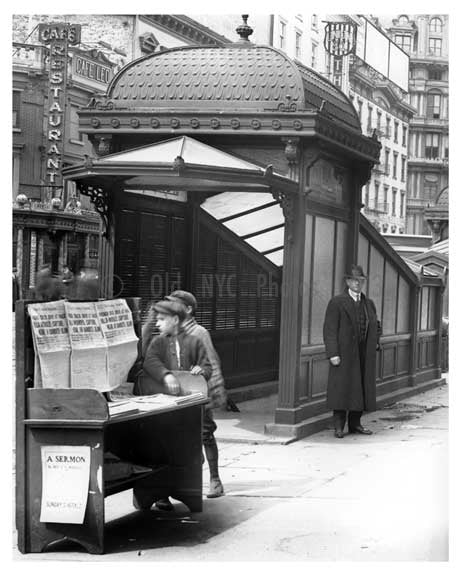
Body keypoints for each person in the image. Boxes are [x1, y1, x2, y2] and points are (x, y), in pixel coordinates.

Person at [140, 298, 212, 511]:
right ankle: (161, 495)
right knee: (163, 450)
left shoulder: (195, 341)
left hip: (187, 408)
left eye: (162, 319)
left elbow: (207, 366)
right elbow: (150, 362)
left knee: (188, 450)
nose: (158, 324)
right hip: (165, 408)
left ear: (175, 320)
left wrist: (201, 370)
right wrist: (166, 376)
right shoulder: (158, 342)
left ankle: (185, 491)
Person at [166, 290, 227, 499]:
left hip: (199, 395)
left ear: (189, 309)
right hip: (178, 396)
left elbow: (211, 363)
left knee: (205, 435)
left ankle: (215, 480)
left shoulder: (199, 332)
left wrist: (212, 393)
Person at [323, 264, 381, 438]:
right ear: (347, 281)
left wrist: (375, 341)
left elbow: (376, 325)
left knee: (360, 390)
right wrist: (333, 353)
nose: (357, 283)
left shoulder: (368, 303)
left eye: (360, 280)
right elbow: (329, 329)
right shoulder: (337, 302)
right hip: (344, 354)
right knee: (342, 389)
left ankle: (355, 424)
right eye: (354, 280)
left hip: (364, 354)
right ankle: (339, 426)